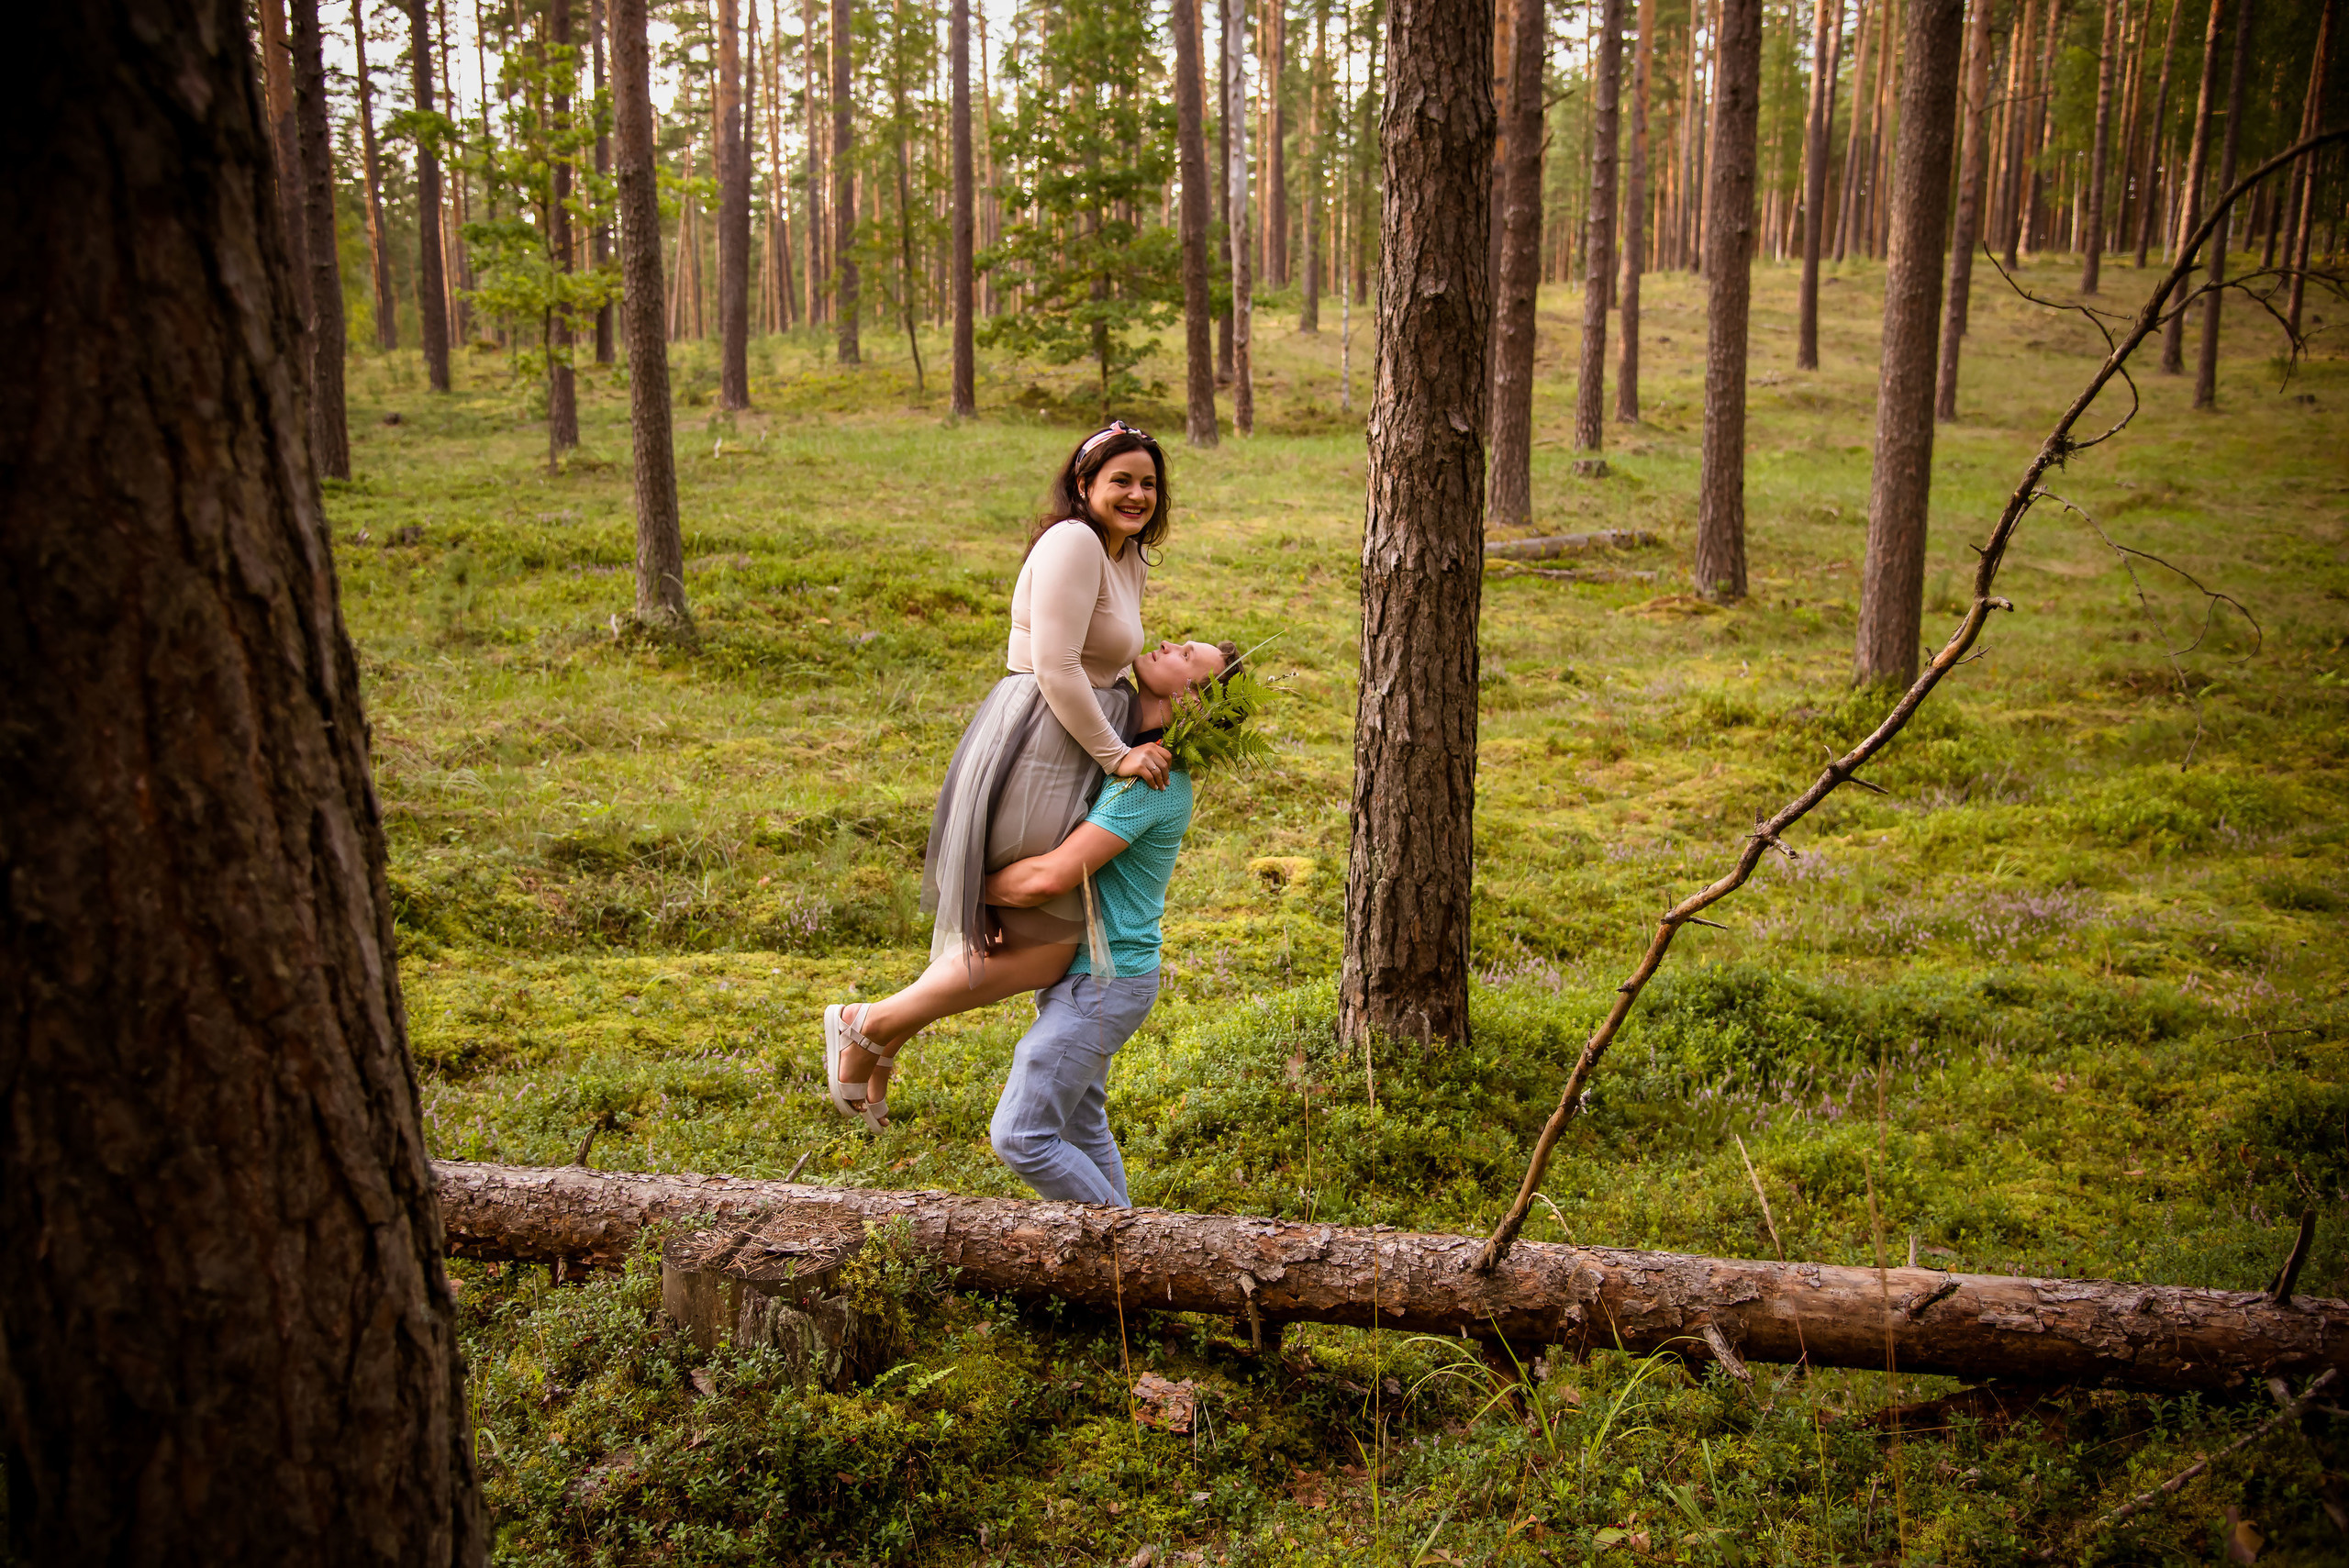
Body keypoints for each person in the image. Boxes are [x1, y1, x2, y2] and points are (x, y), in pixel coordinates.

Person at [822, 634, 1235, 1131]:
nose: (1167, 643)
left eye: (1185, 656)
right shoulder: (1114, 715)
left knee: (1041, 1127)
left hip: (1107, 963)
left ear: (1190, 701)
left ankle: (875, 1026)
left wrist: (974, 886)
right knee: (1082, 1118)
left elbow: (1047, 880)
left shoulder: (1152, 781)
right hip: (1075, 916)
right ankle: (882, 1038)